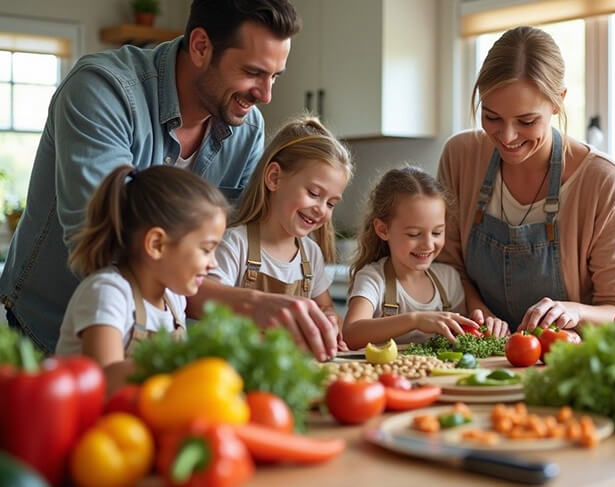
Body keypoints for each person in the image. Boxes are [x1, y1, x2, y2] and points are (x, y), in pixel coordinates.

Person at [0, 1, 337, 358]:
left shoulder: (246, 128)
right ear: (201, 46)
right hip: (51, 331)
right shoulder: (102, 90)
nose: (265, 95)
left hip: (156, 340)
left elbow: (227, 248)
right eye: (253, 72)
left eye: (275, 76)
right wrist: (250, 303)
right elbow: (108, 245)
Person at [437, 26, 615, 339]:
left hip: (565, 365)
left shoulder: (604, 183)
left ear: (558, 101)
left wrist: (576, 311)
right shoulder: (460, 156)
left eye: (526, 121)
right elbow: (447, 264)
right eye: (491, 117)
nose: (506, 137)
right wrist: (478, 310)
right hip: (476, 353)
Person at [188, 116, 352, 360]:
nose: (321, 209)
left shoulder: (311, 253)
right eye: (314, 194)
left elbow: (325, 306)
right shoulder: (236, 243)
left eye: (331, 203)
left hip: (291, 368)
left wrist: (330, 320)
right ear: (274, 178)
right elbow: (205, 302)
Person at [55, 165, 228, 394]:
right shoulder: (107, 293)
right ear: (157, 244)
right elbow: (103, 381)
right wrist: (190, 365)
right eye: (206, 249)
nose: (213, 263)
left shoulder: (175, 299)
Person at [342, 166, 480, 350]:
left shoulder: (448, 278)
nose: (429, 245)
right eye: (414, 234)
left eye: (437, 232)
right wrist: (415, 319)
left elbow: (467, 331)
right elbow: (351, 334)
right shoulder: (373, 278)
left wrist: (479, 321)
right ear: (383, 230)